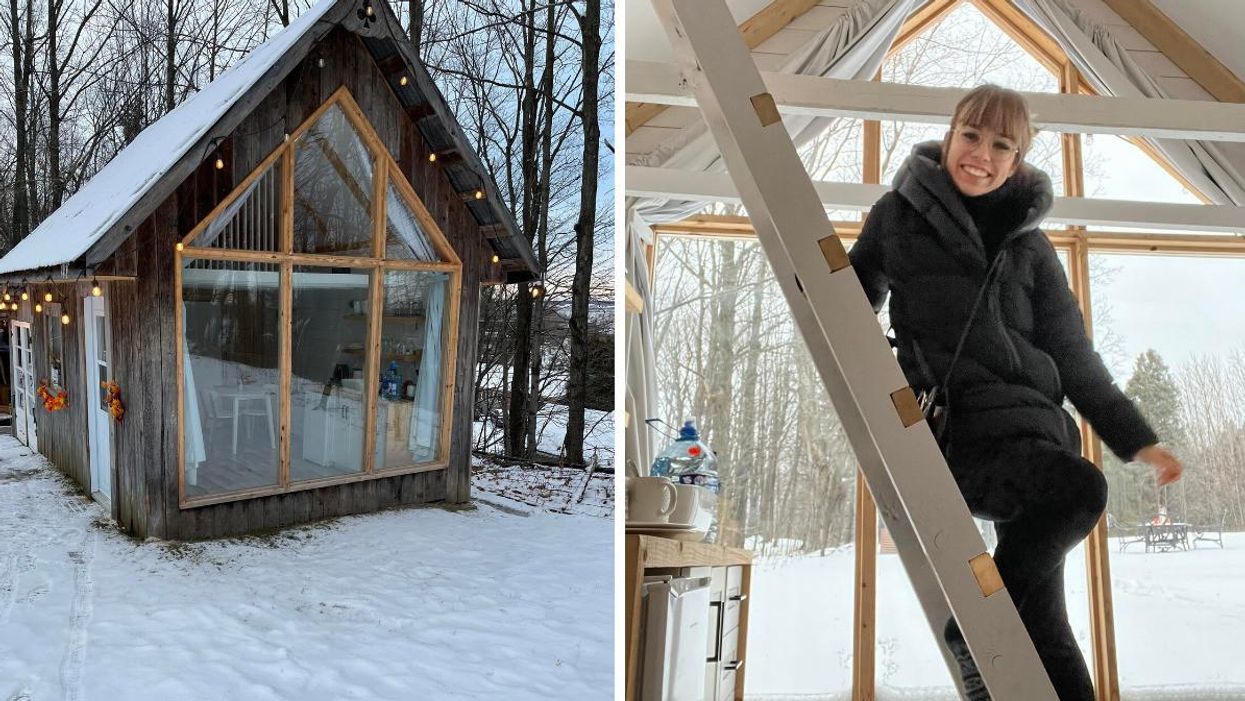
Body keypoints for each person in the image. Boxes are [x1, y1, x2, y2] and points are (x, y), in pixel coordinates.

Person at [848, 84, 1183, 700]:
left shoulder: (1031, 247)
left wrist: (1139, 442)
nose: (982, 154)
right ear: (950, 136)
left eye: (1002, 145)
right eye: (971, 136)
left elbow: (1075, 359)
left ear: (1019, 158)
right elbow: (850, 302)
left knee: (1047, 633)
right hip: (961, 436)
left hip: (1036, 440)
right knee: (1080, 489)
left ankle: (984, 634)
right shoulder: (897, 216)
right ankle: (976, 629)